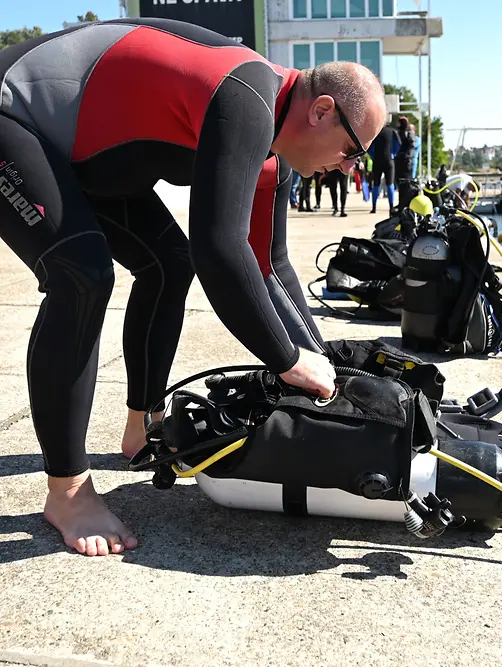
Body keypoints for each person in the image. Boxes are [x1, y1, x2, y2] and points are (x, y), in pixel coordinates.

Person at [0, 17, 386, 557]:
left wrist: (322, 364)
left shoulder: (275, 152)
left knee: (168, 264)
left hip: (87, 159)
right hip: (14, 114)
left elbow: (268, 265)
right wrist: (283, 360)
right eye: (352, 150)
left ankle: (141, 425)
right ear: (321, 110)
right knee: (81, 276)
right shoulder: (247, 94)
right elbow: (221, 251)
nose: (348, 168)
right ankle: (66, 491)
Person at [367, 120, 399, 214]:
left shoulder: (375, 132)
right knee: (390, 184)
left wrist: (373, 156)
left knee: (376, 184)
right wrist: (393, 153)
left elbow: (368, 147)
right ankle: (391, 207)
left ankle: (374, 207)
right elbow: (398, 144)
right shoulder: (392, 131)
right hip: (389, 160)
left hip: (377, 160)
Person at [394, 116, 415, 190]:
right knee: (398, 180)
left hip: (406, 160)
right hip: (398, 159)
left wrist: (408, 157)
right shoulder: (397, 132)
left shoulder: (409, 133)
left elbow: (412, 146)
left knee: (406, 180)